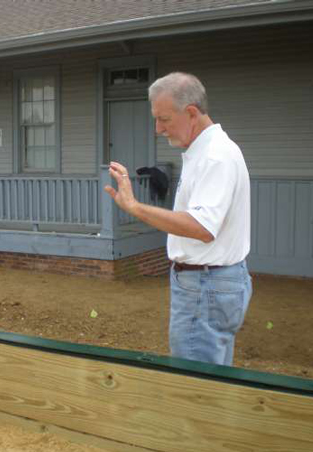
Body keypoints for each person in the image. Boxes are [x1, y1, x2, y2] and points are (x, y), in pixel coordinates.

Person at [105, 72, 252, 366]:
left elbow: (202, 228)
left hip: (204, 285)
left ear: (191, 113)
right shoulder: (207, 152)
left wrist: (135, 208)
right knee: (214, 383)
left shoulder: (215, 157)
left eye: (164, 119)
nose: (158, 129)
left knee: (195, 390)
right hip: (212, 282)